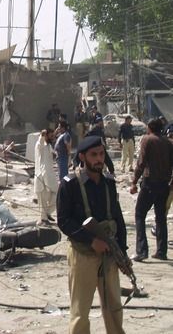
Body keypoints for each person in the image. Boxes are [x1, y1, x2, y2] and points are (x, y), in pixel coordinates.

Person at [56, 136, 127, 334]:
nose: (99, 159)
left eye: (101, 154)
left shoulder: (108, 183)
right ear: (82, 157)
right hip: (83, 254)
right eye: (93, 155)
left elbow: (117, 217)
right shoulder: (69, 185)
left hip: (108, 254)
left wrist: (123, 250)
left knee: (114, 307)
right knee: (80, 311)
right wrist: (91, 240)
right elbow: (64, 221)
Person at [130, 118, 173, 262]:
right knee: (160, 218)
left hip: (150, 183)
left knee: (139, 214)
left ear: (150, 128)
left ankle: (142, 251)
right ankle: (161, 251)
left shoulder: (147, 140)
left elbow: (141, 163)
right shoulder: (168, 142)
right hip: (164, 185)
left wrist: (134, 182)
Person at [34, 129, 58, 224]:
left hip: (49, 177)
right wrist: (42, 135)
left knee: (56, 195)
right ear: (45, 136)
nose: (52, 138)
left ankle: (47, 213)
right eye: (51, 136)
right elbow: (40, 143)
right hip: (41, 177)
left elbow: (53, 154)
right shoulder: (40, 145)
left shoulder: (48, 146)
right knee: (42, 201)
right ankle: (43, 219)